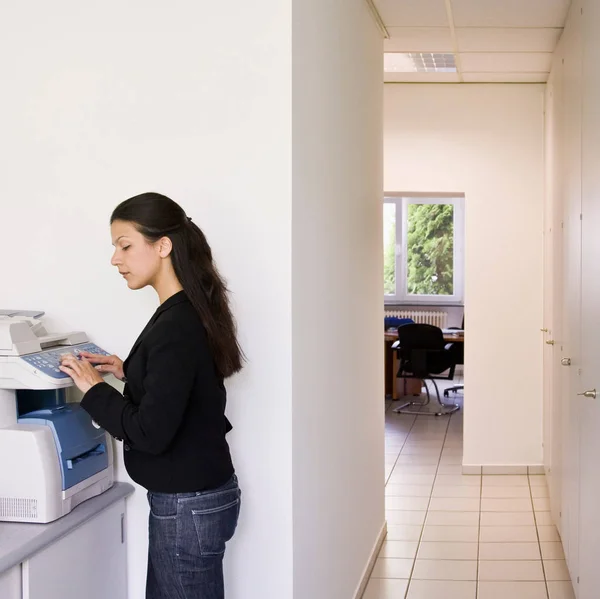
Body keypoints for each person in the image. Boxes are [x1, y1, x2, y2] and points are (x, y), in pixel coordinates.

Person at [59, 192, 243, 599]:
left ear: (163, 246)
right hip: (196, 498)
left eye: (125, 245)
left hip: (187, 506)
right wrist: (129, 370)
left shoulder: (177, 323)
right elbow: (186, 386)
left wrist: (92, 388)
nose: (115, 259)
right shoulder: (185, 310)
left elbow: (150, 432)